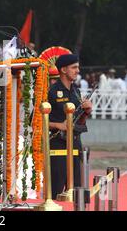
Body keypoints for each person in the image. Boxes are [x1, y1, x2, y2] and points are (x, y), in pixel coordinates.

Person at [48, 54, 92, 199]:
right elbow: (34, 121)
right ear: (63, 70)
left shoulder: (76, 91)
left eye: (78, 67)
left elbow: (79, 121)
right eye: (74, 67)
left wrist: (86, 112)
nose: (77, 70)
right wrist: (58, 125)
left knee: (76, 193)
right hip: (57, 146)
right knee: (55, 192)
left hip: (74, 144)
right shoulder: (52, 92)